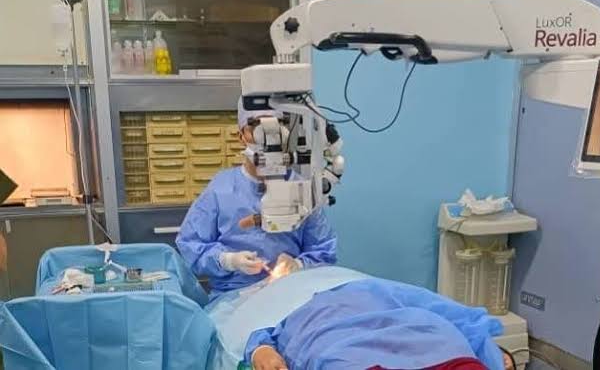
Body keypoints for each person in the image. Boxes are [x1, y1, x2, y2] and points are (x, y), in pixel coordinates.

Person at [176, 99, 338, 298]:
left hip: (291, 292)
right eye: (257, 127)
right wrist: (228, 260)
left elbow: (324, 250)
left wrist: (298, 265)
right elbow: (190, 245)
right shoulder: (221, 189)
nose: (268, 138)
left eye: (276, 127)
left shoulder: (301, 187)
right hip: (235, 297)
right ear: (241, 136)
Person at [246, 276, 515, 370]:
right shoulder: (289, 306)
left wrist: (492, 353)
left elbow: (448, 312)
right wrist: (261, 350)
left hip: (430, 343)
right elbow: (462, 319)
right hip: (435, 344)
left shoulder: (369, 286)